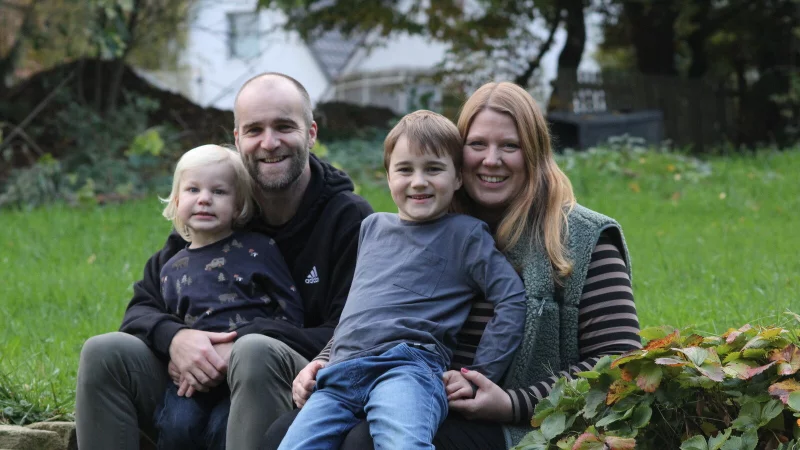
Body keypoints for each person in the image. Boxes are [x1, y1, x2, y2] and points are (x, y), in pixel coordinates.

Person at [262, 81, 642, 449]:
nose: (491, 159)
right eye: (477, 144)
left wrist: (514, 402)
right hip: (398, 386)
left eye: (510, 146)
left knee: (366, 442)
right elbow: (380, 308)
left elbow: (619, 364)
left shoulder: (582, 237)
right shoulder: (429, 223)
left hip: (518, 424)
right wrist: (325, 359)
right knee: (281, 432)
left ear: (535, 152)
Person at [75, 73, 374, 450]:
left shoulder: (348, 219)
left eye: (284, 127)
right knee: (103, 352)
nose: (269, 143)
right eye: (254, 130)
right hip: (194, 391)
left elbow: (355, 333)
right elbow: (142, 308)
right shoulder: (219, 207)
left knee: (254, 351)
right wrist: (176, 338)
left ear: (311, 133)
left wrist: (240, 342)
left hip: (299, 387)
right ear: (237, 138)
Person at [277, 110, 526, 450]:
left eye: (433, 169)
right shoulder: (372, 227)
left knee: (402, 444)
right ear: (388, 176)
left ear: (458, 178)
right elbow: (362, 309)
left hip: (408, 368)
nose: (418, 182)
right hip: (341, 374)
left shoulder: (465, 235)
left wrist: (479, 373)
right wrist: (323, 359)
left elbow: (511, 298)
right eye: (405, 169)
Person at [153, 144, 305, 449]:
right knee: (176, 425)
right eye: (193, 189)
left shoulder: (259, 249)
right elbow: (170, 321)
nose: (204, 199)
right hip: (195, 379)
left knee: (223, 427)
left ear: (238, 206)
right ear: (177, 201)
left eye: (219, 191)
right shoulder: (170, 268)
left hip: (246, 373)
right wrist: (172, 355)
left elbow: (290, 312)